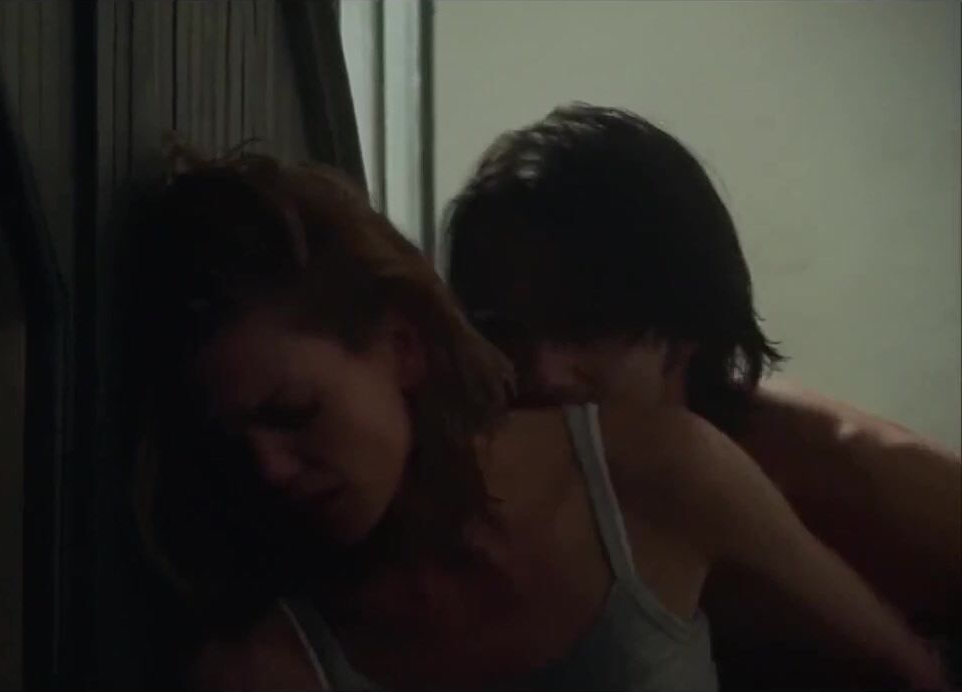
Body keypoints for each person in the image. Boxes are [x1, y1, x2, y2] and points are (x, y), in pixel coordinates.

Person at [128, 150, 947, 691]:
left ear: (403, 347)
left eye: (295, 414)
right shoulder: (265, 654)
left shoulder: (717, 464)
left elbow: (909, 671)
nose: (268, 470)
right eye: (505, 329)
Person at [443, 102, 962, 688]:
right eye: (502, 332)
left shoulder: (843, 472)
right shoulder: (483, 494)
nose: (542, 372)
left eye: (585, 326)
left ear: (686, 327)